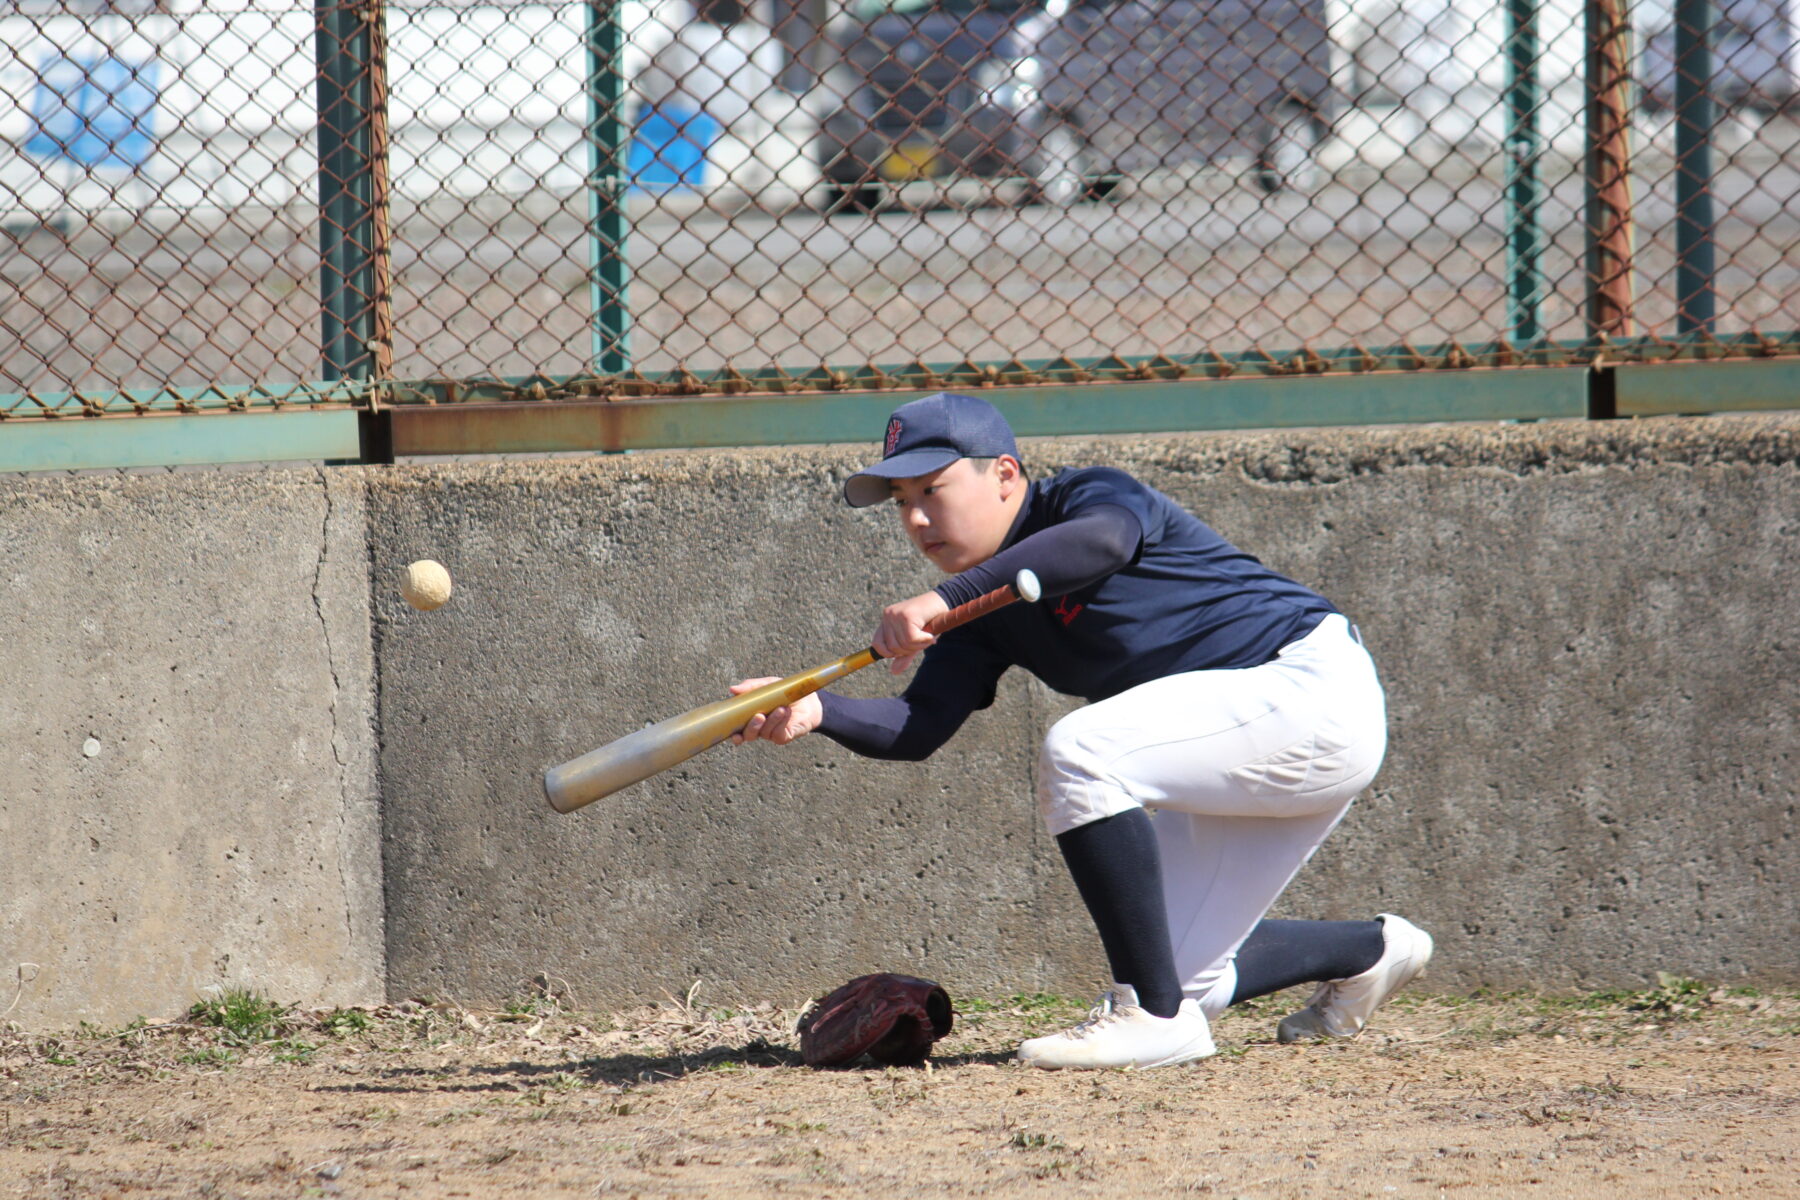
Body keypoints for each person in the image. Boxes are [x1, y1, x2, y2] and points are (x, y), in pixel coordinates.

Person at [730, 392, 1432, 1069]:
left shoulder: (1086, 499)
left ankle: (1151, 1023)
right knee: (1179, 973)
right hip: (1257, 737)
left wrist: (945, 599)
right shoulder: (979, 612)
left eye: (932, 489)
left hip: (1308, 692)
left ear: (1004, 475)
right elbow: (917, 726)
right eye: (902, 503)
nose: (915, 519)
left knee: (1082, 751)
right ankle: (1371, 950)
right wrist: (817, 710)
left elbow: (1103, 542)